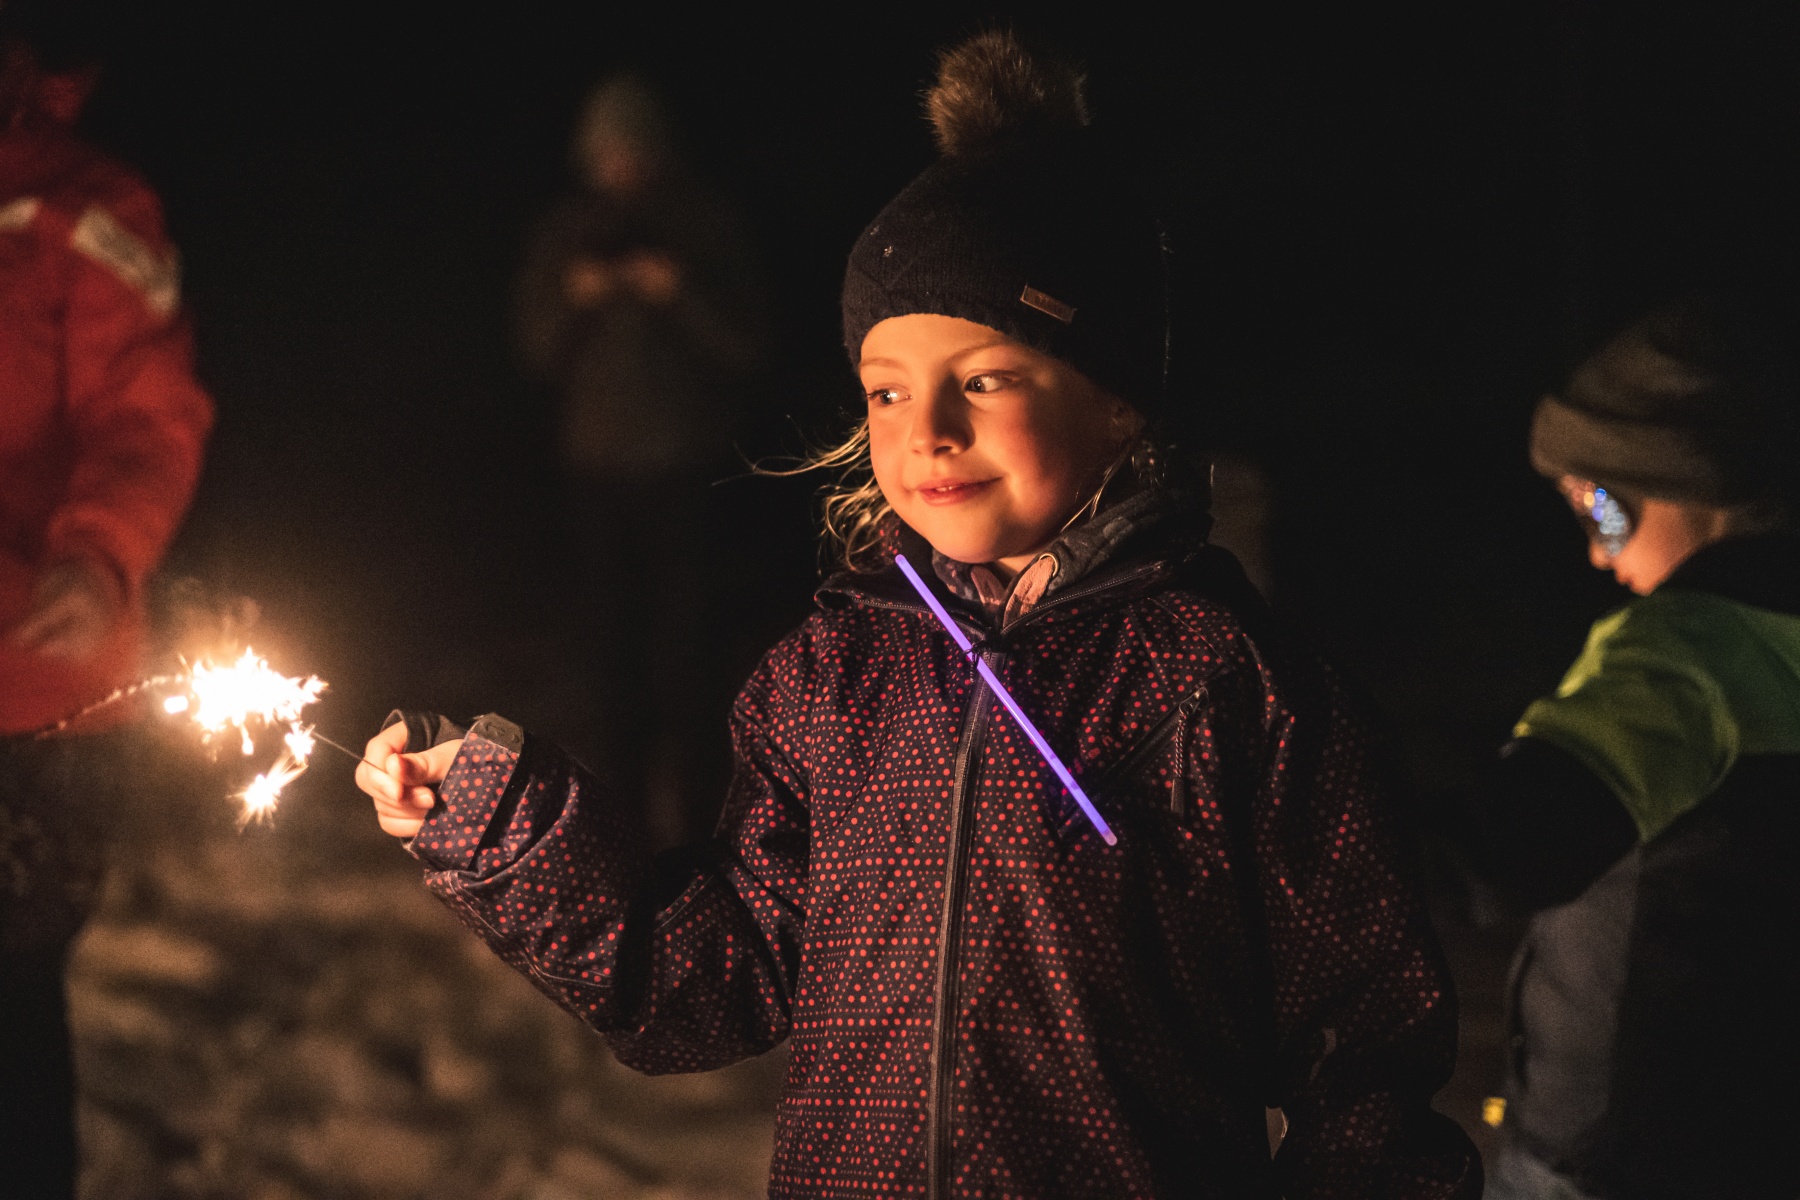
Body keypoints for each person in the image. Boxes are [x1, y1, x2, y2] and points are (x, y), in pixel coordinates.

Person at [360, 33, 1478, 1198]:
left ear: (1115, 403)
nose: (927, 431)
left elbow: (1367, 1068)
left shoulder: (1228, 684)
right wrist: (505, 828)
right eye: (887, 392)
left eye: (983, 379)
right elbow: (706, 984)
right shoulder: (832, 678)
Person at [1469, 299, 1800, 1199]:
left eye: (1600, 508)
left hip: (1607, 1152)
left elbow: (1504, 848)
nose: (1594, 553)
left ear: (1696, 487)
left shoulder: (1688, 659)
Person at [0, 8, 215, 1196]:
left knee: (12, 1000)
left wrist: (96, 554)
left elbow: (145, 415)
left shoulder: (87, 208)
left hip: (40, 698)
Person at [514, 71, 768, 845]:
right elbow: (534, 350)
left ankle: (699, 826)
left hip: (687, 470)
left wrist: (678, 291)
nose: (620, 163)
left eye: (634, 147)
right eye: (608, 150)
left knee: (691, 656)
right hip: (597, 473)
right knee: (609, 658)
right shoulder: (567, 232)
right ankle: (617, 827)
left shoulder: (704, 225)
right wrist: (576, 297)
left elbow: (747, 344)